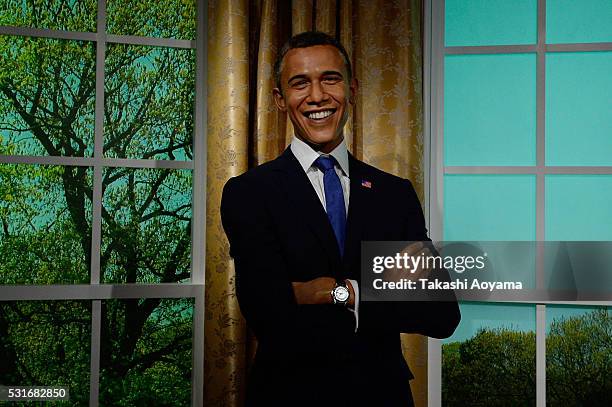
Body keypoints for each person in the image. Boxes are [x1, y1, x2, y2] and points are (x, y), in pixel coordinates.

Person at [221, 31, 460, 406]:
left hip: (382, 394)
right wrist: (382, 285)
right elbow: (267, 309)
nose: (317, 96)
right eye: (300, 83)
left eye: (329, 79)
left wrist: (338, 291)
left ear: (352, 88)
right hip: (289, 396)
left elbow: (441, 313)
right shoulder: (250, 193)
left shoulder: (394, 194)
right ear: (280, 100)